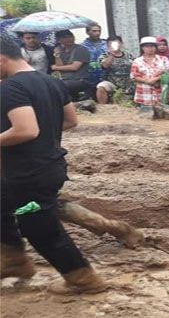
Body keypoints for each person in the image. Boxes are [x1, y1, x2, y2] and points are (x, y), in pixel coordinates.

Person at [0, 34, 106, 294]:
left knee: (40, 228)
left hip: (28, 172)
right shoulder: (50, 82)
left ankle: (83, 279)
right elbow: (71, 121)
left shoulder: (10, 89)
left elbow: (25, 130)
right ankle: (13, 259)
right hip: (47, 165)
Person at [130, 36, 169, 107]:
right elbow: (134, 76)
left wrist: (156, 79)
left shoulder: (163, 59)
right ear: (142, 48)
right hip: (144, 93)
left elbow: (168, 73)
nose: (150, 48)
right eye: (147, 46)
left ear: (155, 47)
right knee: (146, 115)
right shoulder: (137, 61)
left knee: (162, 115)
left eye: (152, 46)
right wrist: (146, 81)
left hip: (160, 92)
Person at [51, 30, 92, 101]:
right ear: (59, 40)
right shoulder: (61, 51)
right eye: (65, 37)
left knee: (58, 87)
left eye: (71, 36)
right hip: (66, 80)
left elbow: (74, 67)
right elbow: (60, 68)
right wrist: (57, 55)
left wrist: (55, 67)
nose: (69, 39)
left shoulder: (81, 49)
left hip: (80, 80)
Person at [96, 35, 134, 104]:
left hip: (128, 83)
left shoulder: (129, 55)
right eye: (111, 44)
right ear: (107, 45)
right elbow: (105, 65)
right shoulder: (104, 56)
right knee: (101, 87)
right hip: (112, 83)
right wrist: (111, 55)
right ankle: (103, 108)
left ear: (121, 44)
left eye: (116, 43)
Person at [81, 22, 107, 94]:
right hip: (89, 76)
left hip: (105, 75)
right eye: (94, 31)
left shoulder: (106, 44)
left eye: (99, 31)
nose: (97, 33)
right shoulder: (82, 46)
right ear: (87, 32)